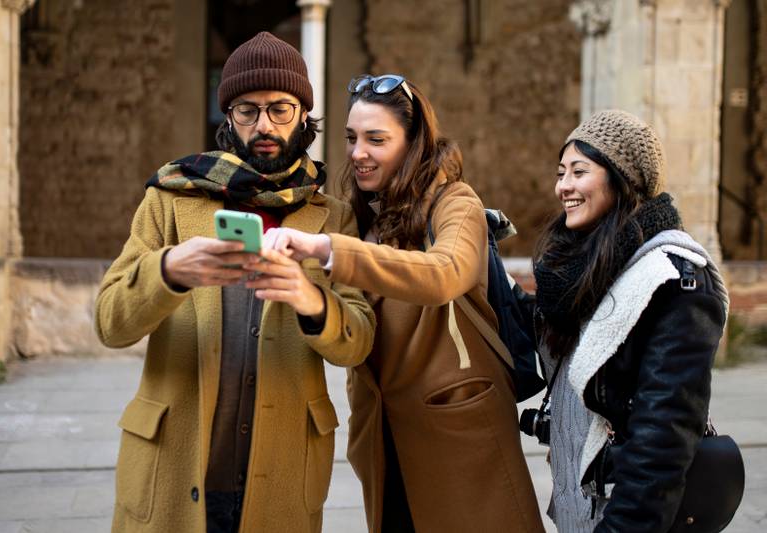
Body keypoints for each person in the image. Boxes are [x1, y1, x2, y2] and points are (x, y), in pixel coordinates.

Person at [94, 32, 375, 533]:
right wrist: (168, 272)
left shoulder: (332, 216)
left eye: (279, 109)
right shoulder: (171, 198)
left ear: (305, 116)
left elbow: (357, 342)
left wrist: (311, 300)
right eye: (247, 110)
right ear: (228, 118)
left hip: (283, 470)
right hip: (174, 466)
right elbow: (110, 323)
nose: (263, 124)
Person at [247, 74, 544, 532]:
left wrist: (329, 250)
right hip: (381, 436)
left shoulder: (456, 202)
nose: (357, 152)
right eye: (351, 138)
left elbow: (443, 274)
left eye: (376, 139)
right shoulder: (358, 212)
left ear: (413, 143)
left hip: (457, 430)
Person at [530, 110, 728, 532]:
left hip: (625, 517)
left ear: (623, 179)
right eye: (560, 172)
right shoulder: (582, 271)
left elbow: (663, 440)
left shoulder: (675, 280)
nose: (563, 186)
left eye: (579, 171)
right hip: (580, 510)